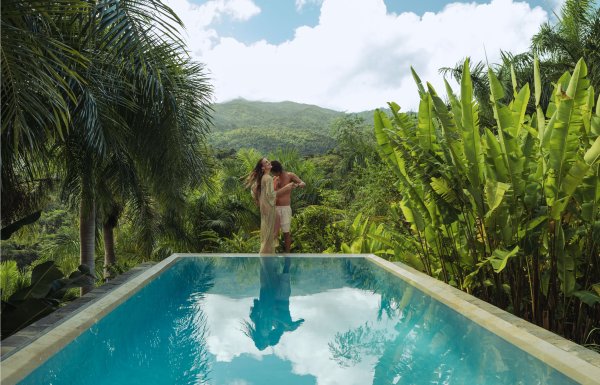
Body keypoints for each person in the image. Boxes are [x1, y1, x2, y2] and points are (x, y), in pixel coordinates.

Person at [245, 158, 297, 254]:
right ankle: (265, 257)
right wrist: (287, 188)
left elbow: (254, 189)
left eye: (268, 161)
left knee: (270, 235)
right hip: (269, 208)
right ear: (263, 168)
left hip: (266, 208)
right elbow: (272, 195)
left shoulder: (264, 177)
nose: (269, 162)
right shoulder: (268, 178)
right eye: (266, 162)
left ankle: (266, 257)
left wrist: (258, 200)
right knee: (270, 236)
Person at [271, 160, 305, 253]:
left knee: (286, 232)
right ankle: (273, 252)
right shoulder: (274, 178)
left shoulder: (290, 175)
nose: (273, 173)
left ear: (278, 170)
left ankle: (287, 254)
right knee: (274, 233)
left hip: (285, 208)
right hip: (275, 208)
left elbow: (303, 183)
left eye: (273, 171)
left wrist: (296, 185)